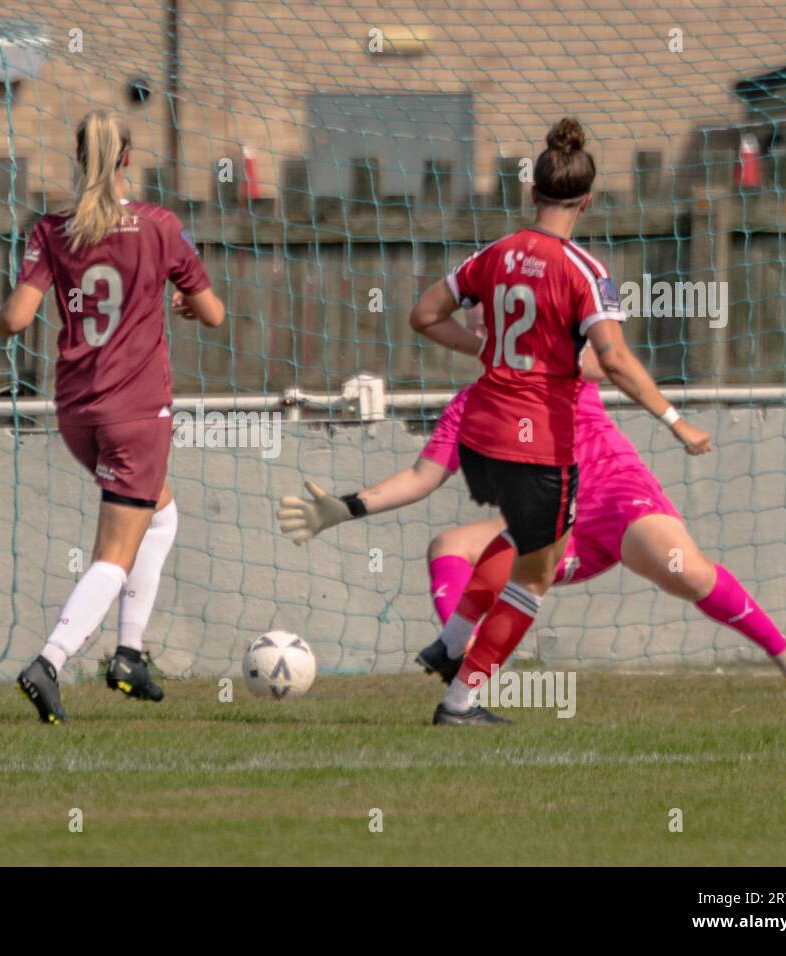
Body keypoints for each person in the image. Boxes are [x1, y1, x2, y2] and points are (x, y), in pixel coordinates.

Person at [280, 117, 710, 725]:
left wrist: (482, 349)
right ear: (586, 200)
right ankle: (460, 700)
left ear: (532, 192)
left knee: (513, 544)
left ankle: (450, 641)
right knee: (533, 577)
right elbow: (612, 358)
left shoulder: (495, 255)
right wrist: (674, 419)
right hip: (539, 444)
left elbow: (424, 314)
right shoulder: (584, 269)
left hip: (485, 436)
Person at [276, 346, 786, 704]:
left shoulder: (560, 357)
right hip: (556, 525)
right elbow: (421, 478)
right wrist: (345, 507)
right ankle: (459, 657)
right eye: (476, 314)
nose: (481, 322)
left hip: (618, 498)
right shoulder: (469, 403)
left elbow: (607, 358)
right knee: (448, 544)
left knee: (689, 574)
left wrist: (671, 417)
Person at [0, 109, 225, 723]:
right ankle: (50, 661)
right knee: (114, 554)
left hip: (76, 409)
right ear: (127, 158)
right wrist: (186, 303)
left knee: (161, 516)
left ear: (79, 157)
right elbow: (216, 313)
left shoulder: (51, 228)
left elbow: (16, 318)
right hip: (137, 411)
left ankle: (128, 653)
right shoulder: (160, 226)